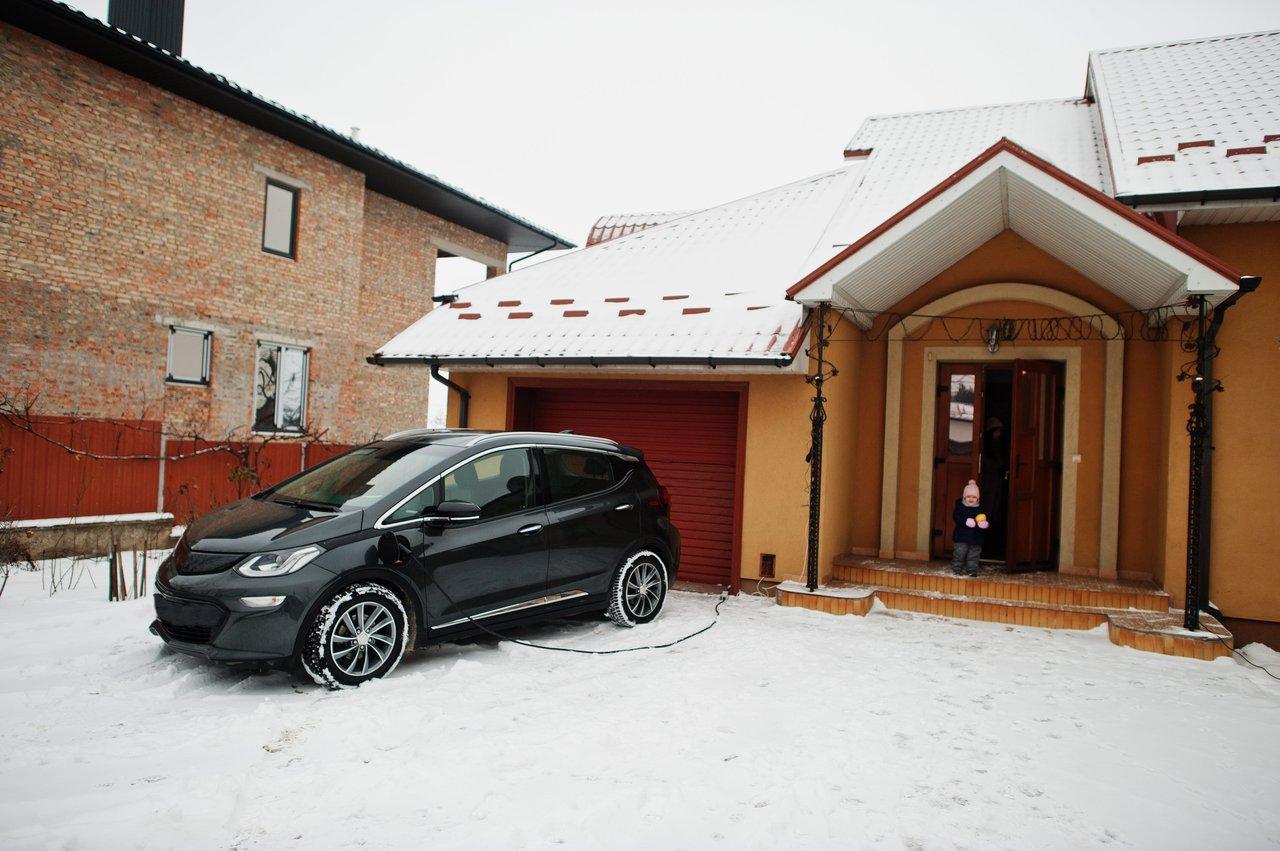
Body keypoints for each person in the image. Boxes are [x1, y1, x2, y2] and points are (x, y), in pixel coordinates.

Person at [952, 479, 989, 576]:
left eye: (974, 497)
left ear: (978, 498)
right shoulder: (960, 507)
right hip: (961, 537)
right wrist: (965, 521)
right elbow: (956, 517)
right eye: (968, 497)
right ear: (964, 497)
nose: (971, 499)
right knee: (959, 553)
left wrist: (984, 524)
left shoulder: (981, 508)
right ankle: (957, 569)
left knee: (974, 555)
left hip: (976, 538)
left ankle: (972, 570)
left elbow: (985, 518)